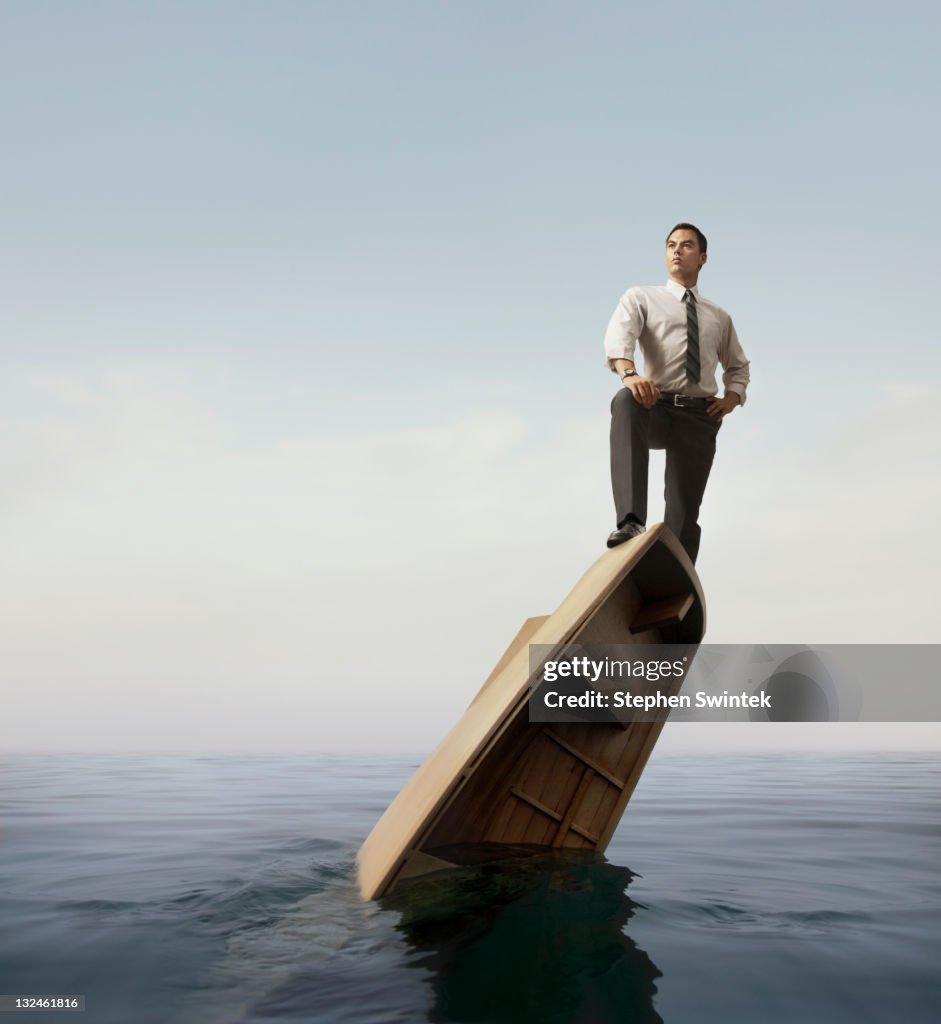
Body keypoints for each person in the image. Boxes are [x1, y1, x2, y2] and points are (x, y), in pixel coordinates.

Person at [604, 223, 750, 564]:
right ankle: (630, 521)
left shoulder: (719, 316)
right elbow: (618, 339)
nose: (676, 251)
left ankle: (676, 575)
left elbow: (739, 366)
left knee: (684, 515)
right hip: (655, 404)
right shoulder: (641, 297)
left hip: (699, 416)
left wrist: (733, 396)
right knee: (625, 400)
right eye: (671, 245)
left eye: (686, 246)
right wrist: (630, 374)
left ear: (702, 258)